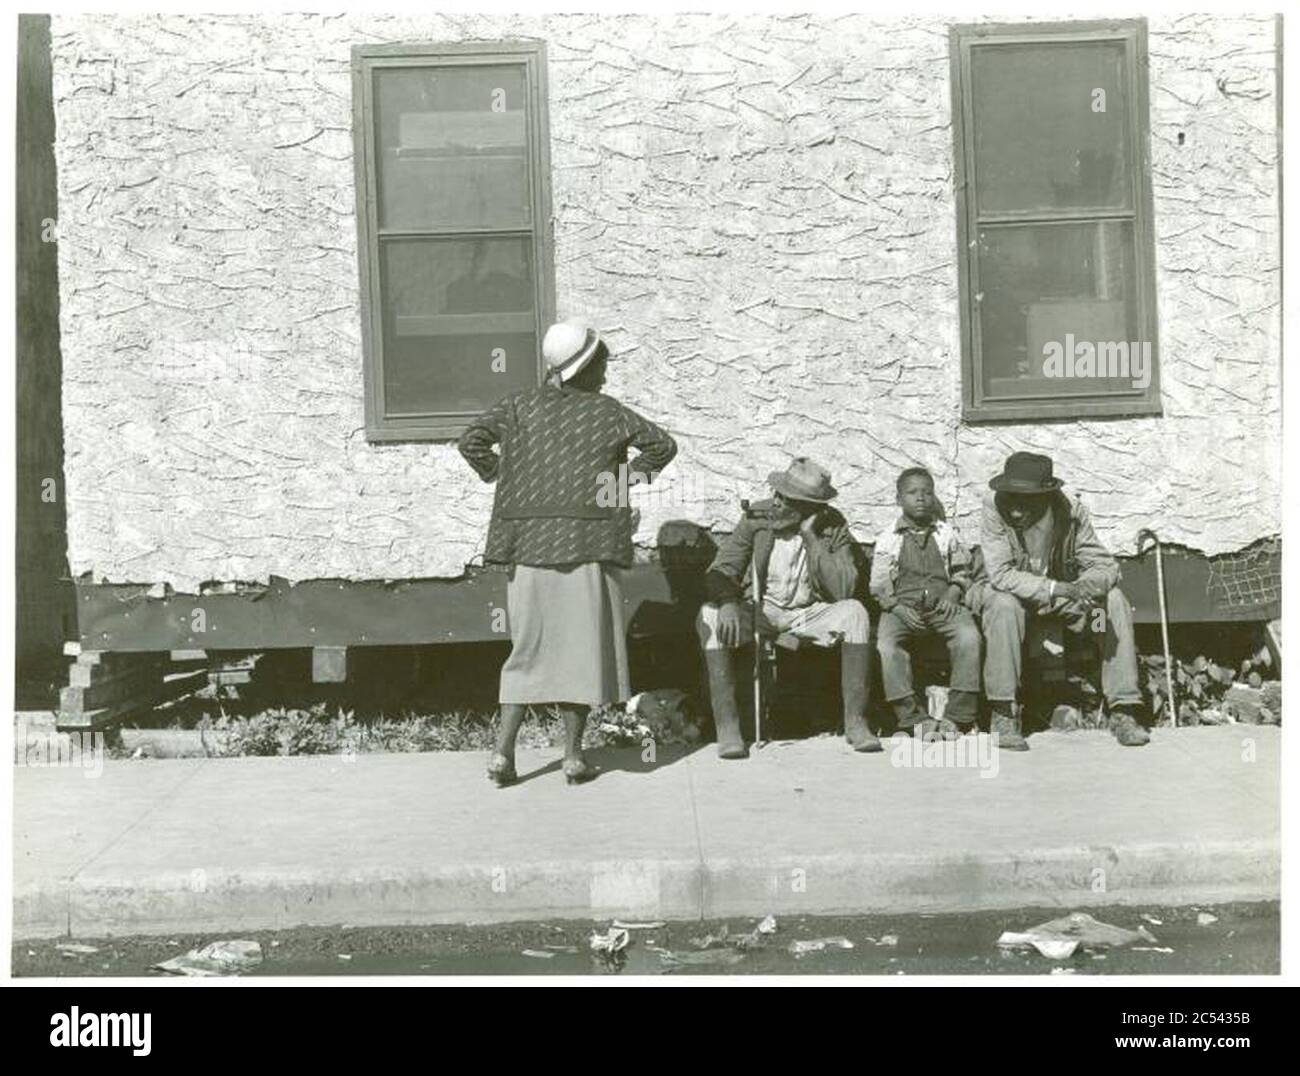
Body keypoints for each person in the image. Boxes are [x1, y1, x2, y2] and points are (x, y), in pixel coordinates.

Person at [458, 318, 678, 786]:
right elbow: (662, 445)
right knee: (579, 653)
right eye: (601, 363)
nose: (605, 373)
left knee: (527, 650)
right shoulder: (608, 412)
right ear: (583, 366)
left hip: (529, 548)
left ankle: (502, 754)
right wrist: (618, 486)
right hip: (588, 547)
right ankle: (574, 758)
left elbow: (470, 440)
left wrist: (505, 476)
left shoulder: (517, 405)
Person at [695, 458, 879, 758]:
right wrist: (728, 601)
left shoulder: (831, 526)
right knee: (709, 614)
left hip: (807, 613)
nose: (777, 503)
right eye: (777, 494)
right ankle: (728, 729)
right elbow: (720, 569)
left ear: (812, 508)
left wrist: (811, 537)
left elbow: (844, 588)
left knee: (855, 613)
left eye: (787, 499)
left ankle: (856, 723)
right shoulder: (757, 517)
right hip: (760, 611)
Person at [968, 451, 1149, 751]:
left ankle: (1123, 711)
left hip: (1063, 602)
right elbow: (1000, 574)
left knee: (1112, 602)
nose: (1015, 510)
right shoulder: (993, 507)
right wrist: (1058, 589)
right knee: (1003, 606)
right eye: (1011, 498)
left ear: (1047, 496)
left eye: (1026, 501)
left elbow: (1105, 566)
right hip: (1011, 596)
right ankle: (1003, 714)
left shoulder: (1071, 512)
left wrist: (1088, 586)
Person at [870, 467, 982, 739]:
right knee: (887, 645)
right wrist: (896, 607)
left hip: (943, 605)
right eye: (912, 493)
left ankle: (957, 716)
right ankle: (912, 718)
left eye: (927, 492)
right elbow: (878, 584)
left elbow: (962, 572)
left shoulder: (946, 534)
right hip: (902, 607)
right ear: (899, 500)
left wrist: (953, 593)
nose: (920, 498)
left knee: (969, 637)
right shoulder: (888, 539)